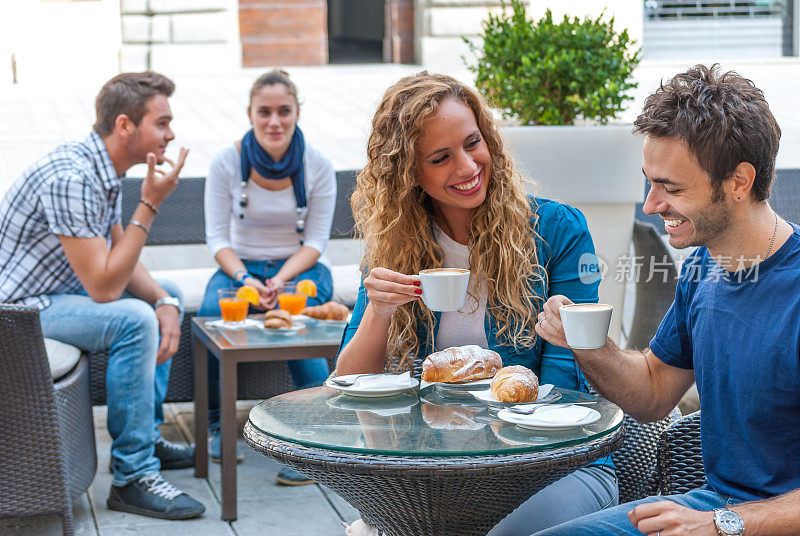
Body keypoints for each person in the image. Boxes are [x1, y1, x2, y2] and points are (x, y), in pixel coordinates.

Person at [334, 72, 617, 535]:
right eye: (441, 157)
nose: (467, 167)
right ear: (409, 173)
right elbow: (350, 383)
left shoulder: (556, 230)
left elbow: (565, 389)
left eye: (473, 143)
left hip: (553, 463)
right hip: (437, 469)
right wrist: (379, 311)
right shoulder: (396, 245)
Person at [533, 64, 800, 536]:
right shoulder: (703, 267)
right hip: (711, 506)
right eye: (649, 182)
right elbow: (654, 393)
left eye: (672, 189)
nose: (651, 205)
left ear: (739, 182)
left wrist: (724, 524)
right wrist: (587, 343)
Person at [0, 72, 205, 520]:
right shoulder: (72, 178)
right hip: (17, 311)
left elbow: (119, 257)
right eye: (162, 122)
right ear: (126, 126)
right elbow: (105, 286)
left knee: (162, 295)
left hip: (56, 293)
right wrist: (150, 202)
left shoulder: (102, 170)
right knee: (134, 319)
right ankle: (133, 476)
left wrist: (167, 302)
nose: (171, 134)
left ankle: (144, 438)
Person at [198, 69, 335, 484]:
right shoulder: (226, 162)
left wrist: (280, 282)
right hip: (240, 267)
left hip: (299, 266)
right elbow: (217, 236)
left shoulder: (317, 165)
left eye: (284, 111)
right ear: (250, 113)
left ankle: (314, 436)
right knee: (210, 316)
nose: (274, 121)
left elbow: (316, 241)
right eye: (264, 112)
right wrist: (245, 279)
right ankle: (219, 427)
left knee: (301, 322)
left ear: (297, 113)